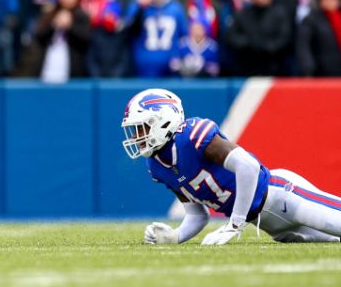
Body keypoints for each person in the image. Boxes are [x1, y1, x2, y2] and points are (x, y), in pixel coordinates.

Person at [125, 88, 341, 245]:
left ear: (163, 121)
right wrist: (176, 236)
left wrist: (235, 224)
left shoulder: (192, 135)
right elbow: (198, 215)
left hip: (283, 196)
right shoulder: (157, 166)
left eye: (141, 128)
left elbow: (248, 167)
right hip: (273, 229)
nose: (136, 137)